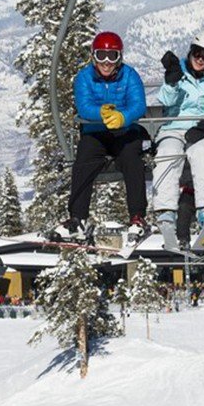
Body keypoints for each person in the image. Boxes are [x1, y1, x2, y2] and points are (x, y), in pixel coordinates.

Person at [52, 31, 149, 245]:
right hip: (95, 131)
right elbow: (84, 105)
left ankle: (137, 216)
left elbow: (138, 105)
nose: (106, 62)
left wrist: (123, 117)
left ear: (119, 57)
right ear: (93, 56)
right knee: (84, 161)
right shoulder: (84, 77)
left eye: (112, 56)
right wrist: (102, 114)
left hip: (124, 131)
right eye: (101, 55)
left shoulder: (129, 76)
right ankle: (78, 218)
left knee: (132, 159)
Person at [155, 30, 204, 241]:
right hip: (173, 126)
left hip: (198, 130)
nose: (200, 59)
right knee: (168, 152)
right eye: (197, 53)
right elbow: (165, 101)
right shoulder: (179, 72)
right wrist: (171, 82)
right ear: (191, 51)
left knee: (203, 153)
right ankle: (165, 211)